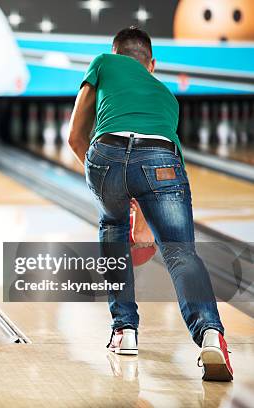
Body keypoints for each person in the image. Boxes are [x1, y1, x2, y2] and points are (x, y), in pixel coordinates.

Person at [67, 26, 233, 381]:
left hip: (106, 154)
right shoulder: (167, 95)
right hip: (161, 162)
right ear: (152, 64)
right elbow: (152, 159)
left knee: (112, 228)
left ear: (114, 52)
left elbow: (75, 136)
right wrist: (141, 214)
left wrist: (104, 183)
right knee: (181, 252)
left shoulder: (102, 62)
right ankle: (210, 335)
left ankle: (124, 330)